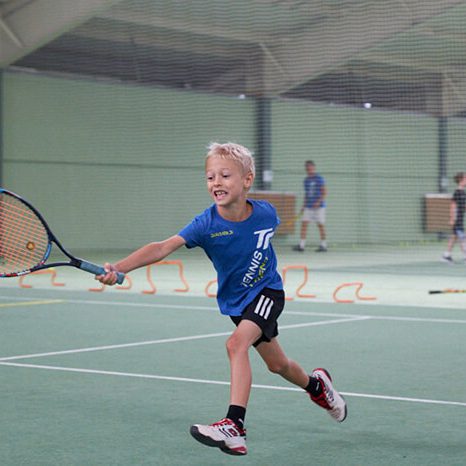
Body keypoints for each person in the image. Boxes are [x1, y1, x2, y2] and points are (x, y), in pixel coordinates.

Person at [96, 142, 347, 456]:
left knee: (235, 345)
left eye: (225, 175)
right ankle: (317, 386)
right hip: (237, 303)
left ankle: (234, 426)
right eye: (210, 177)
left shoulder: (266, 214)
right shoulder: (205, 225)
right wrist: (119, 268)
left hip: (268, 292)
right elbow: (162, 247)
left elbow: (256, 245)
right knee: (277, 365)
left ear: (247, 180)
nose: (216, 182)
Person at [293, 160, 327, 252]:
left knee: (320, 225)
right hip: (308, 206)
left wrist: (318, 202)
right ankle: (301, 245)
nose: (309, 169)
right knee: (304, 224)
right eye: (307, 167)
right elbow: (307, 194)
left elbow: (324, 192)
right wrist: (303, 206)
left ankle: (323, 245)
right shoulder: (306, 180)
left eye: (310, 167)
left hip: (319, 207)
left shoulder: (319, 178)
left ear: (314, 168)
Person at [442, 172, 466, 264]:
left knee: (454, 237)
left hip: (460, 219)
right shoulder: (457, 192)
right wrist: (452, 219)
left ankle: (446, 255)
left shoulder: (463, 192)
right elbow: (452, 206)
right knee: (462, 237)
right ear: (461, 180)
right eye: (465, 178)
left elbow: (463, 207)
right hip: (457, 220)